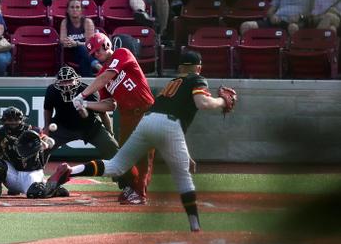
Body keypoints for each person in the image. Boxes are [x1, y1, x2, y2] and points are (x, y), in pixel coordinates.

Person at [46, 51, 238, 232]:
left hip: (148, 120)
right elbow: (202, 104)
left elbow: (166, 114)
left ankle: (71, 170)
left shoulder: (173, 83)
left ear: (180, 68)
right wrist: (222, 101)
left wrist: (185, 154)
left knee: (116, 164)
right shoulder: (197, 79)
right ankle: (195, 226)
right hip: (167, 124)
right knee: (183, 177)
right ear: (198, 68)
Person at [72, 32, 155, 205]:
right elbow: (109, 105)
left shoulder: (122, 53)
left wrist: (83, 95)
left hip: (144, 110)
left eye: (97, 50)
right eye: (93, 53)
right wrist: (86, 105)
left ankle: (140, 193)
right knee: (124, 156)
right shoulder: (102, 73)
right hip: (126, 115)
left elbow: (107, 76)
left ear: (106, 44)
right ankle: (133, 187)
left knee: (143, 155)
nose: (96, 54)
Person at [0, 106, 69, 198]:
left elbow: (48, 140)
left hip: (31, 172)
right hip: (12, 173)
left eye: (15, 120)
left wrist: (46, 143)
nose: (13, 123)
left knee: (36, 192)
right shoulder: (1, 134)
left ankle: (53, 188)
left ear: (21, 120)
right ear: (4, 121)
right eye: (10, 120)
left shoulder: (32, 130)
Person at [43, 66, 119, 160]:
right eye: (63, 81)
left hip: (90, 127)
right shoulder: (52, 90)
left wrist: (110, 131)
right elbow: (48, 109)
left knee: (112, 147)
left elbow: (102, 113)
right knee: (40, 147)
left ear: (76, 80)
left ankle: (123, 174)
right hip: (62, 126)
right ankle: (34, 173)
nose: (66, 85)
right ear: (58, 82)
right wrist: (46, 127)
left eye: (69, 80)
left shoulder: (88, 91)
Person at [60, 0, 97, 77]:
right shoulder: (65, 22)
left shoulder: (87, 22)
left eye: (77, 7)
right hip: (72, 53)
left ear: (81, 10)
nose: (74, 9)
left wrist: (76, 43)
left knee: (82, 52)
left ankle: (87, 81)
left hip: (88, 52)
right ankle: (97, 67)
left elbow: (90, 44)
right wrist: (68, 42)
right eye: (72, 7)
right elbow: (62, 40)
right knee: (81, 50)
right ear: (67, 10)